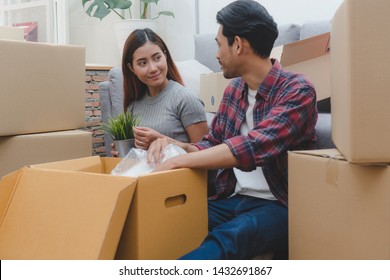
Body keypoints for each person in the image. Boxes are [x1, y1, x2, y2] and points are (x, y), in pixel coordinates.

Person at [147, 0, 318, 260]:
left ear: (237, 44)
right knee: (166, 218)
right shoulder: (234, 90)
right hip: (232, 198)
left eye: (219, 43)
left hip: (279, 205)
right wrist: (176, 145)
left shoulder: (298, 90)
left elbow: (254, 146)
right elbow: (213, 143)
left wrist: (179, 161)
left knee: (229, 237)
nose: (216, 54)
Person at [111, 28, 208, 155]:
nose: (153, 68)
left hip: (176, 174)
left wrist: (161, 141)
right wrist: (122, 155)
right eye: (143, 63)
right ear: (132, 68)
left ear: (165, 56)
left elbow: (206, 154)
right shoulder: (133, 106)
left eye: (157, 58)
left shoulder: (185, 99)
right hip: (143, 174)